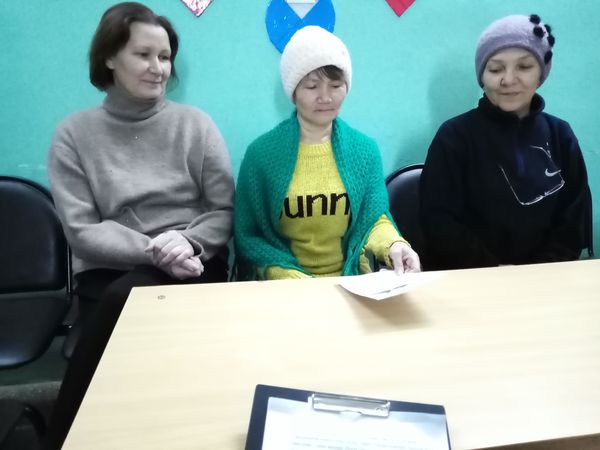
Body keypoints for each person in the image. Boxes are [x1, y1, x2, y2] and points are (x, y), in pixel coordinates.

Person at [44, 3, 233, 448]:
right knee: (123, 301)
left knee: (128, 307)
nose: (158, 68)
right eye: (143, 55)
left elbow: (223, 210)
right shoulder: (73, 135)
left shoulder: (195, 125)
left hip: (193, 263)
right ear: (109, 57)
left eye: (164, 57)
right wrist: (154, 251)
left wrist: (187, 242)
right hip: (110, 270)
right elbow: (81, 230)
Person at [234, 26, 420, 280]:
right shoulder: (261, 156)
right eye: (312, 86)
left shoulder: (364, 151)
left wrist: (394, 245)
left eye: (335, 85)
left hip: (350, 283)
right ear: (293, 92)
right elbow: (249, 235)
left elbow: (374, 219)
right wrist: (285, 275)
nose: (325, 97)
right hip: (284, 288)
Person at [419, 14, 591, 270]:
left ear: (541, 74)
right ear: (482, 76)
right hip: (470, 278)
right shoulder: (454, 137)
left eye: (524, 67)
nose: (509, 80)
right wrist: (494, 270)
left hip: (548, 277)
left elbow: (573, 220)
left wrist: (539, 272)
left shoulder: (560, 135)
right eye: (496, 69)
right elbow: (439, 221)